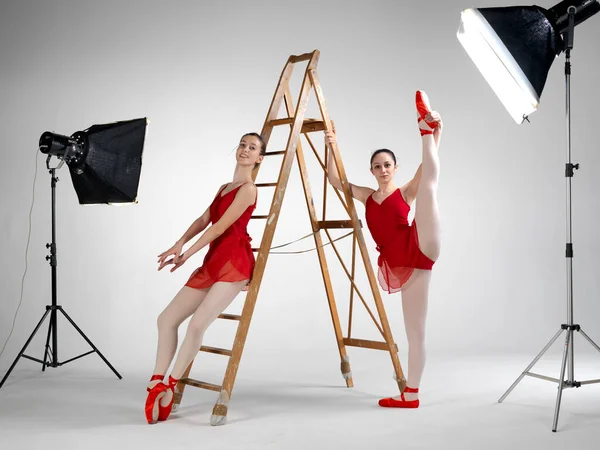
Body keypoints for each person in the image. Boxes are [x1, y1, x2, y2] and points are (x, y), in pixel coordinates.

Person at [325, 91, 442, 408]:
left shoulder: (404, 192)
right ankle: (411, 395)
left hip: (420, 243)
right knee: (414, 333)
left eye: (387, 164)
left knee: (429, 187)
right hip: (404, 266)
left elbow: (426, 172)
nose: (383, 169)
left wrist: (437, 134)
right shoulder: (366, 196)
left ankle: (427, 131)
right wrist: (330, 143)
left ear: (395, 167)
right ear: (372, 171)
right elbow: (336, 180)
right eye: (377, 166)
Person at [144, 133, 265, 424]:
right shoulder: (225, 187)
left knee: (197, 324)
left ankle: (170, 385)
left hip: (234, 262)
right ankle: (157, 380)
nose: (245, 151)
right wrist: (179, 243)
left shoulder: (248, 189)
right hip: (213, 262)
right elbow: (203, 221)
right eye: (242, 145)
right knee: (166, 319)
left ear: (259, 158)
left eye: (252, 148)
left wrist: (186, 254)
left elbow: (220, 227)